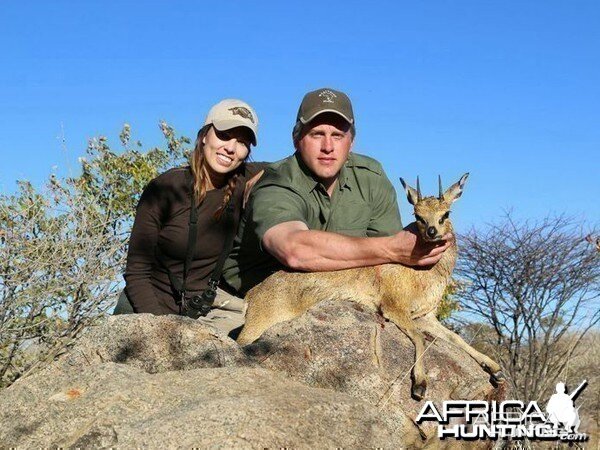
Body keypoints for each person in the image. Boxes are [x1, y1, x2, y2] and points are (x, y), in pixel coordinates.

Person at [222, 87, 453, 297]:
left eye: (338, 135)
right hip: (251, 300)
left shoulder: (370, 178)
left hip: (333, 297)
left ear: (351, 142)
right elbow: (294, 250)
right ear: (296, 139)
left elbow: (388, 267)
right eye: (317, 134)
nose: (328, 147)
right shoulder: (278, 182)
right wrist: (393, 248)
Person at [115, 99, 263, 335]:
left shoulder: (243, 179)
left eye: (242, 142)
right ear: (205, 135)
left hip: (202, 310)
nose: (231, 148)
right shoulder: (166, 188)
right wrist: (164, 332)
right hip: (147, 308)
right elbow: (137, 271)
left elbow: (295, 164)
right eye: (224, 135)